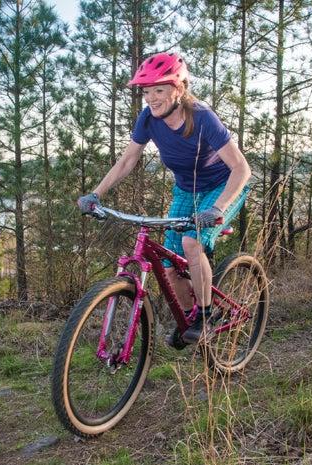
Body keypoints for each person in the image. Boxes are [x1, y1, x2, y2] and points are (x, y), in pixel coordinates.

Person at [76, 52, 251, 347]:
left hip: (222, 187)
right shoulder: (148, 119)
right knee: (168, 265)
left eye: (159, 90)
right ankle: (188, 317)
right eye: (147, 92)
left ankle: (206, 317)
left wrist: (218, 207)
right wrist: (96, 194)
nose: (152, 98)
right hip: (185, 190)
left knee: (191, 243)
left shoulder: (201, 117)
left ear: (178, 88)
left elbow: (241, 168)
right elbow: (127, 161)